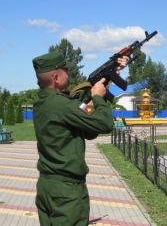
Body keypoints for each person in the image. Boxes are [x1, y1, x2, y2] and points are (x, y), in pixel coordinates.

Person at [32, 51, 128, 225]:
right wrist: (98, 97)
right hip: (67, 191)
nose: (69, 74)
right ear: (56, 77)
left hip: (47, 186)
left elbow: (87, 126)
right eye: (66, 71)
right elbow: (104, 125)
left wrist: (108, 78)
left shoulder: (42, 101)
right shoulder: (63, 105)